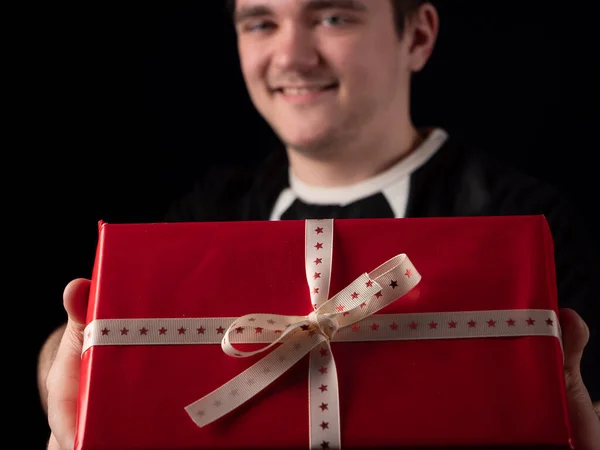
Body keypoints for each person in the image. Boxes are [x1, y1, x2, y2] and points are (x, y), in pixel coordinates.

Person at [38, 0, 600, 449]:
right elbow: (106, 333)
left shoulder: (523, 222)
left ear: (418, 36)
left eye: (332, 17)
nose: (292, 56)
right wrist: (64, 383)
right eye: (261, 22)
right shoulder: (209, 206)